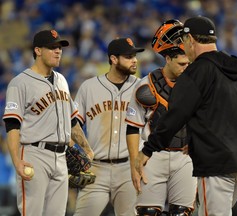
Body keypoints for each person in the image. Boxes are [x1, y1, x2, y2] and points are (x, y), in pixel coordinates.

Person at [134, 16, 237, 216]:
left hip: (217, 163)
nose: (184, 47)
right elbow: (235, 114)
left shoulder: (197, 71)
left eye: (184, 42)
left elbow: (175, 116)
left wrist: (147, 150)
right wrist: (193, 140)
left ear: (190, 40)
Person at [2, 29, 94, 216]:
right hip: (34, 155)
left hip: (61, 157)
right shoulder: (20, 83)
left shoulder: (61, 80)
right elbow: (12, 125)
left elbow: (73, 121)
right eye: (52, 47)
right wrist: (16, 161)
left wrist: (88, 149)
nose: (58, 51)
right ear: (37, 50)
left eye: (59, 48)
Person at [125, 19, 197, 215]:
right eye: (181, 63)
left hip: (185, 156)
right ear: (168, 59)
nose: (185, 67)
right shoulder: (145, 85)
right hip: (152, 156)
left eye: (188, 63)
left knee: (182, 212)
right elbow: (132, 127)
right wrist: (134, 163)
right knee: (148, 212)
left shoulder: (196, 84)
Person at [73, 37, 144, 216]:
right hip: (96, 168)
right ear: (113, 59)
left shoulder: (142, 88)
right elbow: (73, 124)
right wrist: (84, 151)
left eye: (135, 55)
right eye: (128, 56)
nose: (134, 60)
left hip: (130, 169)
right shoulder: (88, 87)